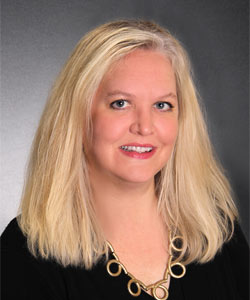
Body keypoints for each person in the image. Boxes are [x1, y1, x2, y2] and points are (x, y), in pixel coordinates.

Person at [1, 20, 248, 300]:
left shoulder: (218, 232)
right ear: (79, 117)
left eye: (162, 105)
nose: (145, 127)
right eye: (120, 103)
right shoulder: (26, 251)